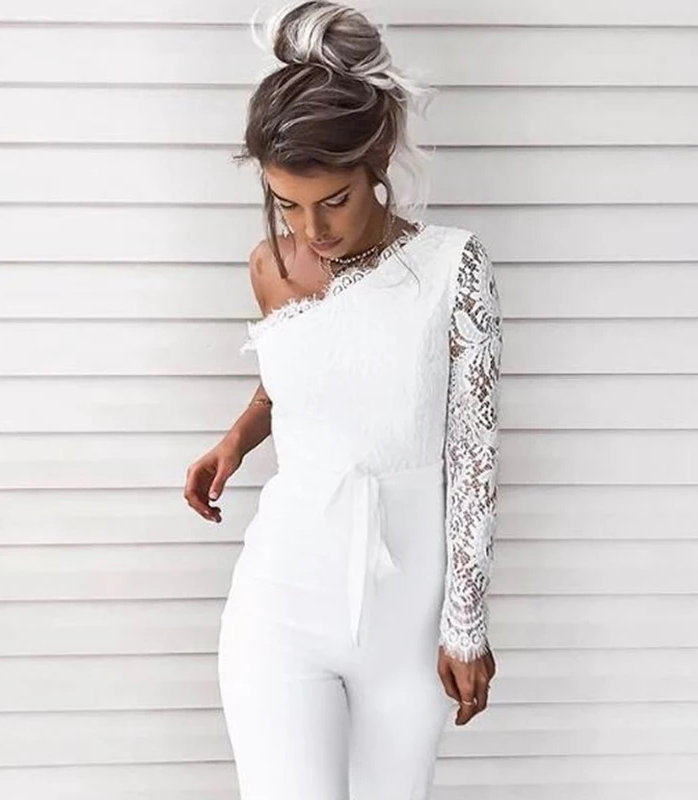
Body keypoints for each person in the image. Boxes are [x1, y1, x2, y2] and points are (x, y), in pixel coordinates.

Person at [183, 2, 503, 797]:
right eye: (287, 204)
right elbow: (300, 372)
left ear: (376, 161)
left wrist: (465, 623)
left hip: (407, 623)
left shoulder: (453, 268)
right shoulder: (271, 267)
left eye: (333, 200)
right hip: (281, 597)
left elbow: (473, 453)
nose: (310, 229)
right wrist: (237, 440)